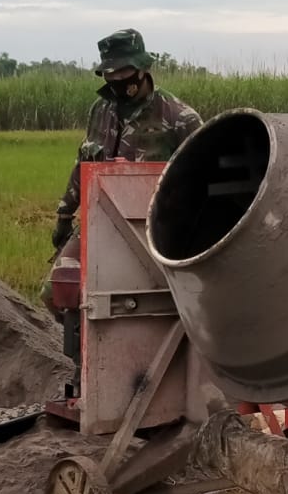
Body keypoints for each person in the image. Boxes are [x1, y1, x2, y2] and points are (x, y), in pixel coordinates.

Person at [42, 28, 201, 311]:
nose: (116, 81)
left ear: (142, 69)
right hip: (99, 222)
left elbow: (201, 182)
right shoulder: (100, 111)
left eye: (122, 74)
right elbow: (83, 164)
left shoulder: (179, 118)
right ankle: (81, 348)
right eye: (109, 76)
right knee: (56, 291)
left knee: (144, 304)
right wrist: (65, 214)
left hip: (155, 229)